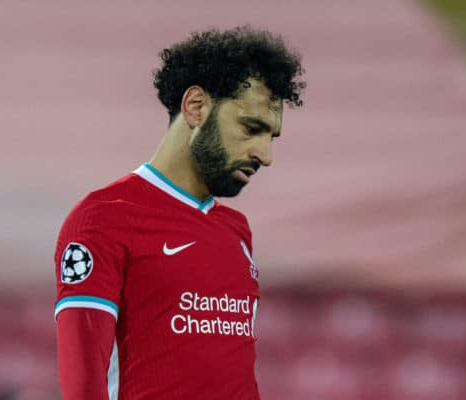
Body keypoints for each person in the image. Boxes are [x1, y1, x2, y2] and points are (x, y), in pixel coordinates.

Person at [53, 26, 305, 400]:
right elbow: (82, 386)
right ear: (196, 106)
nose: (265, 155)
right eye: (251, 128)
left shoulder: (236, 230)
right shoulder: (102, 219)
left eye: (272, 137)